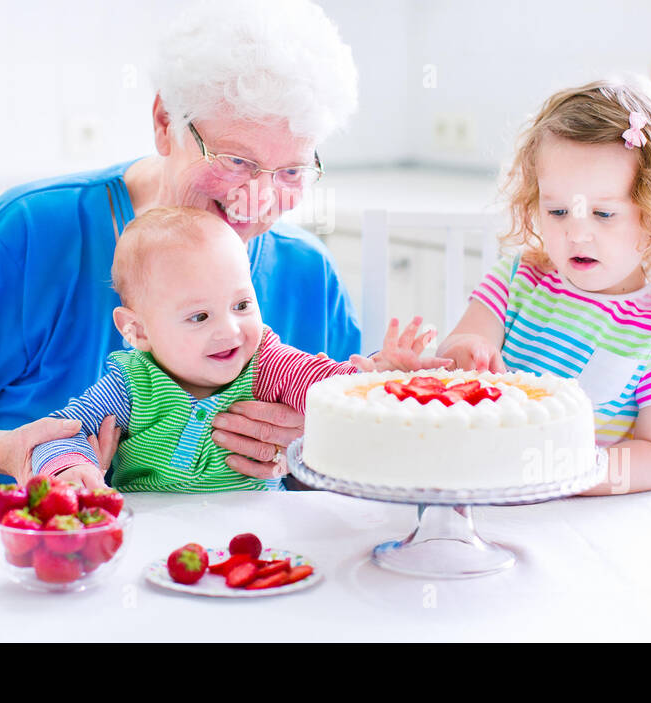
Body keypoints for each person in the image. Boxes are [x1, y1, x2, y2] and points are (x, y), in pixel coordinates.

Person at [0, 0, 363, 493]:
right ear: (165, 122)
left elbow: (347, 457)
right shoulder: (32, 231)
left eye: (292, 171)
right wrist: (9, 453)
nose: (259, 197)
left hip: (182, 563)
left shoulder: (309, 273)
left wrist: (318, 448)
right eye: (236, 160)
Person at [436, 76, 651, 495]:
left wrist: (562, 472)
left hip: (578, 518)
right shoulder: (518, 280)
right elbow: (461, 349)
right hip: (486, 494)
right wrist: (463, 353)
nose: (577, 234)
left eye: (603, 214)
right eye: (558, 211)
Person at [31, 207, 446, 492]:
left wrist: (379, 377)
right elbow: (58, 432)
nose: (230, 330)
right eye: (199, 317)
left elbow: (326, 390)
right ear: (137, 331)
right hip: (150, 538)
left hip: (258, 535)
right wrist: (74, 468)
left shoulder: (267, 362)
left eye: (242, 305)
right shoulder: (130, 383)